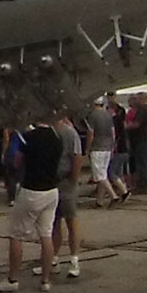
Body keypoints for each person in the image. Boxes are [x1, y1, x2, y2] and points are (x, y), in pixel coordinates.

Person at [0, 113, 63, 293]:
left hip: (32, 188)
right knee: (46, 235)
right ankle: (45, 280)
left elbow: (16, 161)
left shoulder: (28, 137)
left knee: (16, 235)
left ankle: (13, 279)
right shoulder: (57, 137)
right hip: (51, 189)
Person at [53, 110, 85, 278]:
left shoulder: (69, 132)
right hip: (52, 182)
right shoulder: (51, 132)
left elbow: (77, 157)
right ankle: (53, 258)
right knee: (54, 222)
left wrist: (73, 179)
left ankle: (74, 259)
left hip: (65, 181)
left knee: (71, 220)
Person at [85, 97, 128, 206]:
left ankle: (114, 196)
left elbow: (91, 133)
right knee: (103, 173)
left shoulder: (92, 116)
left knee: (99, 176)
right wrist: (112, 146)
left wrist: (88, 148)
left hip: (97, 147)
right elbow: (113, 132)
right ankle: (100, 200)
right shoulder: (108, 115)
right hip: (108, 147)